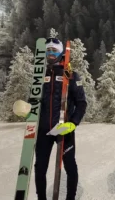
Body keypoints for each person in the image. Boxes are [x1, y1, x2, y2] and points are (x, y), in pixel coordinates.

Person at [34, 38, 87, 200]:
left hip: (64, 129)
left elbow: (82, 103)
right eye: (48, 51)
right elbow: (34, 101)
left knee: (70, 167)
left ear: (61, 52)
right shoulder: (39, 75)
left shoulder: (69, 74)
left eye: (54, 50)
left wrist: (73, 123)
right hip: (44, 129)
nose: (51, 54)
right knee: (40, 168)